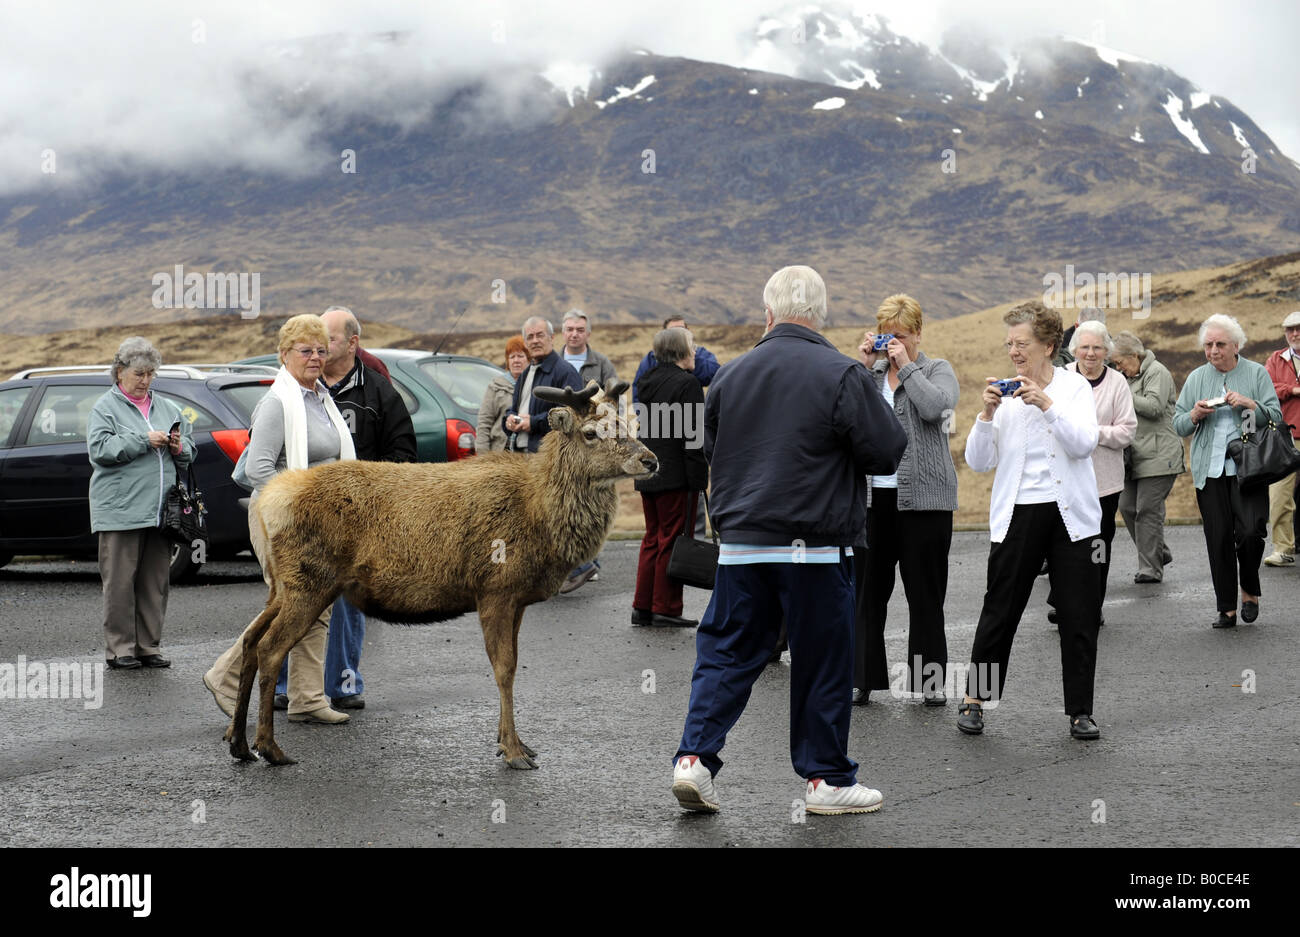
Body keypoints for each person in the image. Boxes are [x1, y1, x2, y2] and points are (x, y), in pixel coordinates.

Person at [670, 265, 906, 816]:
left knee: (726, 651)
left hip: (742, 545)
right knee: (822, 660)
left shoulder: (729, 375)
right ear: (820, 315)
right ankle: (826, 781)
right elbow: (886, 449)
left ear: (768, 314)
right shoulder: (842, 373)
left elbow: (713, 449)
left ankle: (693, 762)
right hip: (816, 547)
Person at [958, 300, 1103, 741]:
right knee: (1000, 609)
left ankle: (1080, 711)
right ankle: (975, 700)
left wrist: (1047, 404)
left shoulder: (1075, 388)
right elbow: (978, 462)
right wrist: (985, 416)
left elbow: (1084, 445)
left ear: (1049, 345)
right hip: (1018, 514)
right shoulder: (1002, 395)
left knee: (1078, 614)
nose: (1014, 351)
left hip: (1072, 517)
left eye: (1022, 344)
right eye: (1009, 344)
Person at [204, 315, 357, 725]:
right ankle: (226, 675)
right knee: (289, 602)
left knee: (318, 604)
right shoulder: (277, 403)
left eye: (321, 350)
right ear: (284, 354)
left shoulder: (319, 397)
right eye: (305, 350)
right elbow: (258, 469)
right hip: (280, 516)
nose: (315, 357)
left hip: (319, 520)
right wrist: (303, 506)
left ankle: (308, 698)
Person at [270, 306, 416, 713]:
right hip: (304, 517)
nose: (318, 351)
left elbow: (403, 453)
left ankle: (342, 682)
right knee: (298, 599)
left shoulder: (379, 393)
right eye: (311, 345)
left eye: (327, 341)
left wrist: (376, 497)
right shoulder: (299, 391)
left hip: (361, 520)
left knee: (350, 599)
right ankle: (285, 684)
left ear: (352, 343)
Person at [852, 294, 959, 706]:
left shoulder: (936, 370)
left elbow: (936, 408)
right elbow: (843, 410)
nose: (891, 343)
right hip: (871, 502)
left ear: (917, 333)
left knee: (925, 596)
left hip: (925, 503)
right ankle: (862, 678)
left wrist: (907, 367)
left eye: (899, 335)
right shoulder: (870, 374)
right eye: (885, 335)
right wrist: (863, 365)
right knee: (867, 595)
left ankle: (929, 681)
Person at [87, 337, 196, 670]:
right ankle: (120, 649)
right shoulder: (105, 407)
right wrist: (142, 440)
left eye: (150, 373)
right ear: (120, 372)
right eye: (139, 373)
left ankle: (148, 645)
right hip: (120, 510)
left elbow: (190, 452)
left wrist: (178, 446)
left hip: (162, 511)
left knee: (155, 582)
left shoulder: (166, 407)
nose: (145, 380)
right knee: (120, 583)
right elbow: (100, 451)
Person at [1172, 314, 1283, 627]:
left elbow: (1274, 417)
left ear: (1236, 345)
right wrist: (1194, 414)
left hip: (1250, 468)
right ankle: (1226, 608)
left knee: (1250, 532)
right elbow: (1178, 424)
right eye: (1208, 345)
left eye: (1220, 344)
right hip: (1209, 471)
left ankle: (1249, 589)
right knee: (1218, 538)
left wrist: (1249, 404)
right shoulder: (1196, 378)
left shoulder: (1256, 373)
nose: (1213, 350)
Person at [1046, 322, 1136, 625]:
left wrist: (1090, 434)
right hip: (1065, 479)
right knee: (1063, 543)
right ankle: (1061, 602)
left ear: (1106, 351)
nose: (1090, 353)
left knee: (1098, 545)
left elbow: (1127, 432)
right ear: (1074, 351)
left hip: (1104, 483)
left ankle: (1092, 604)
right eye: (1084, 347)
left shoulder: (1117, 383)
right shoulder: (1062, 378)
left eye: (1097, 347)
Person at [632, 327, 708, 627]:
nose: (695, 351)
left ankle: (643, 606)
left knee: (652, 537)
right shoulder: (687, 384)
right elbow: (692, 436)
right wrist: (699, 478)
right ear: (679, 351)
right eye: (691, 346)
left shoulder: (646, 381)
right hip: (677, 475)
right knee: (672, 540)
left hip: (647, 471)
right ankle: (666, 607)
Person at [1113, 331, 1184, 583]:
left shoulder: (1158, 372)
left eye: (1120, 362)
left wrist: (1123, 396)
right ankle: (1159, 552)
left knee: (1147, 511)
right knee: (1127, 506)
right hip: (1135, 455)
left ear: (1134, 355)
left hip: (1160, 455)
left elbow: (1154, 408)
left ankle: (1150, 569)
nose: (1118, 367)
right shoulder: (1126, 376)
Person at [559, 310, 619, 590]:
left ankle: (589, 562)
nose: (574, 333)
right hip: (568, 445)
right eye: (570, 329)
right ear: (563, 332)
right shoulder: (557, 363)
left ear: (588, 334)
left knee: (592, 504)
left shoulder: (601, 363)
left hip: (594, 443)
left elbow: (614, 398)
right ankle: (569, 566)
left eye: (579, 329)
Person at [504, 317, 583, 454]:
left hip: (549, 458)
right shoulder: (525, 374)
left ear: (551, 338)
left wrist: (534, 423)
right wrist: (509, 419)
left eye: (540, 335)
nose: (535, 341)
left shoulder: (566, 372)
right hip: (519, 455)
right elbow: (514, 409)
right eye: (530, 337)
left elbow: (573, 414)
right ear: (526, 343)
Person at [1262, 310, 1300, 567]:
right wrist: (1293, 389)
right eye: (1290, 330)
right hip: (1285, 436)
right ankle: (1283, 549)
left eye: (1299, 329)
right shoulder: (1275, 360)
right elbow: (1267, 388)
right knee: (1279, 495)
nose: (1295, 334)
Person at [633, 316, 720, 403]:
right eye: (673, 331)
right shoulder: (651, 358)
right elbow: (640, 389)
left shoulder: (699, 353)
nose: (678, 334)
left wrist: (689, 357)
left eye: (682, 330)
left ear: (688, 330)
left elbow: (714, 374)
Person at [477, 336, 529, 453]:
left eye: (520, 356)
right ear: (507, 360)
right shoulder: (495, 386)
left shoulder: (535, 385)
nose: (516, 360)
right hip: (499, 452)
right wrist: (483, 456)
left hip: (527, 452)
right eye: (512, 357)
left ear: (529, 359)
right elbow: (484, 422)